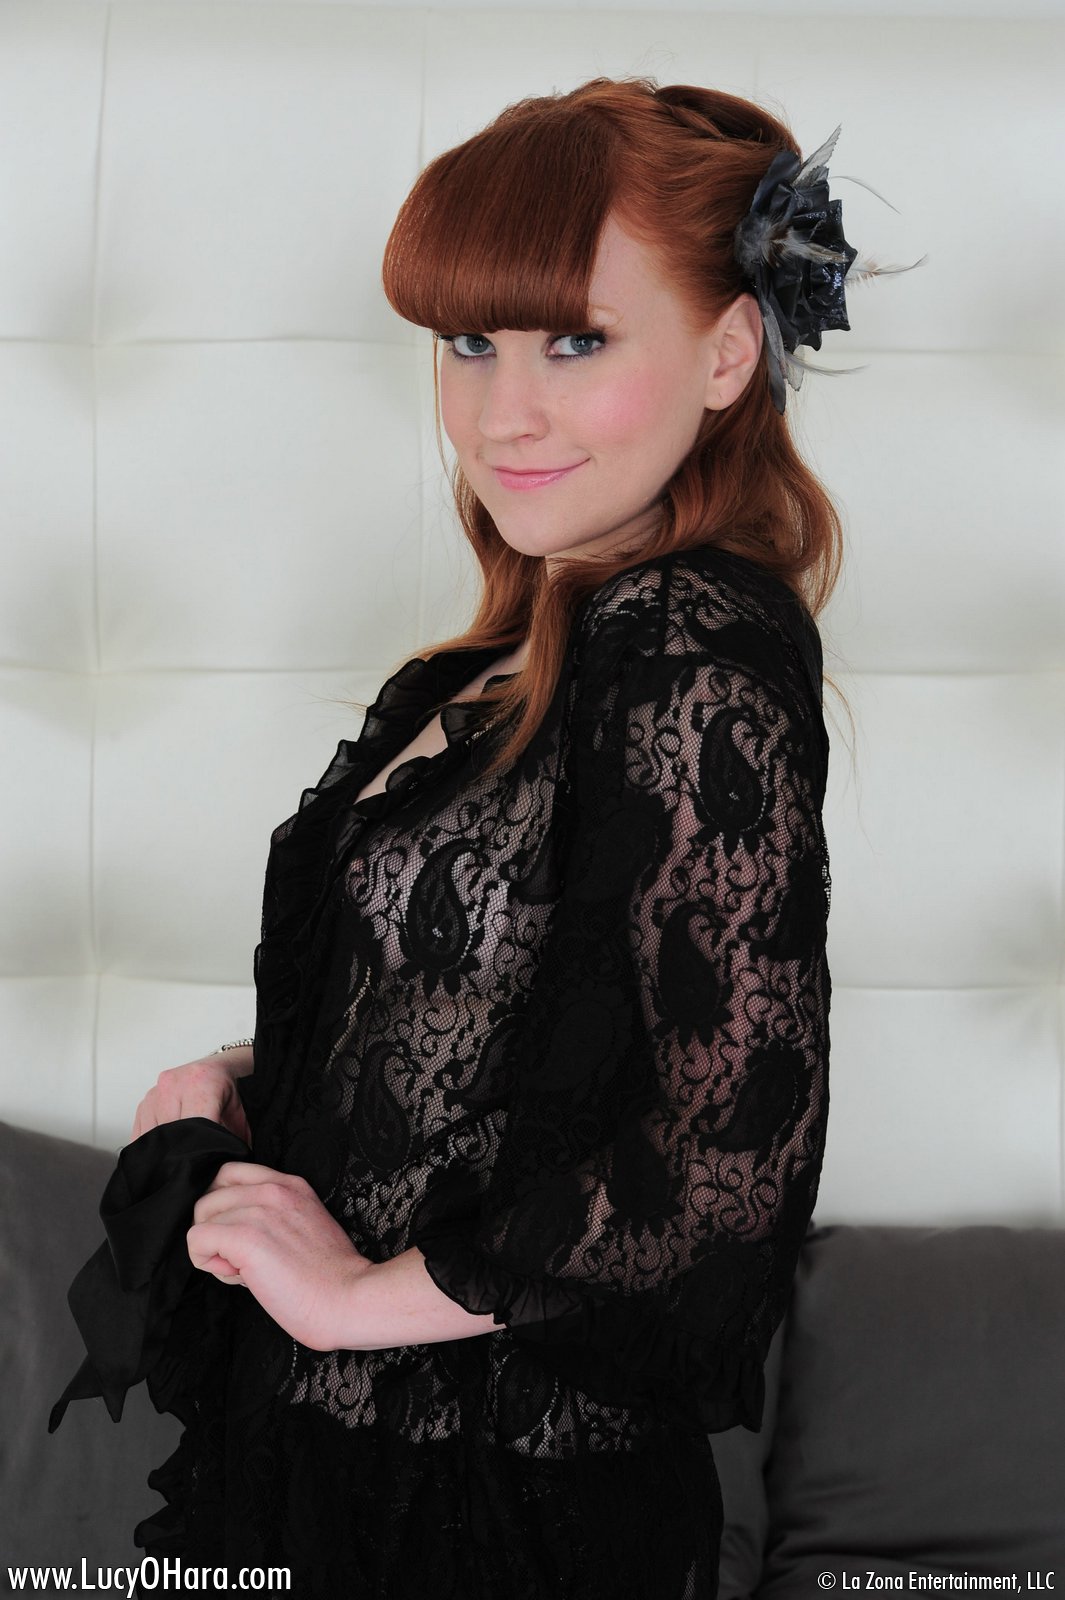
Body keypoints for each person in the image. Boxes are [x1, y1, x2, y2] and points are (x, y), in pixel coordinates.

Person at [121, 74, 891, 1600]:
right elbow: (506, 1016)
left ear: (727, 351)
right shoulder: (512, 652)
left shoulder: (689, 644)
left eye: (575, 342)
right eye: (468, 343)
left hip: (492, 1493)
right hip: (345, 1450)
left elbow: (722, 1150)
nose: (499, 411)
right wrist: (246, 1077)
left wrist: (352, 1303)